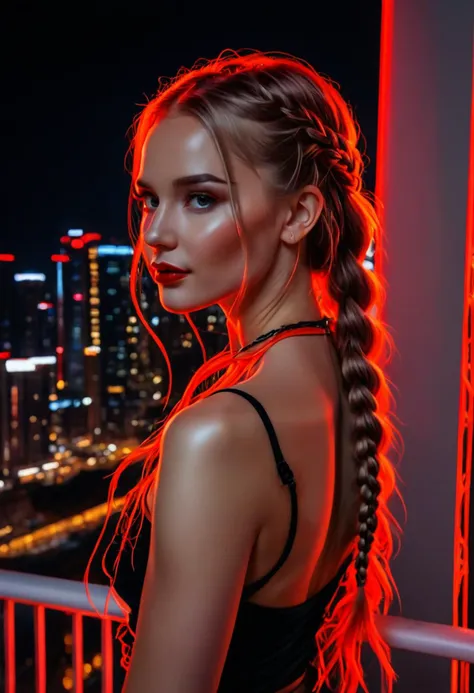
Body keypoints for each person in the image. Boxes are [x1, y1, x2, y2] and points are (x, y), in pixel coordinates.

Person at [88, 49, 400, 693]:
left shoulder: (222, 433)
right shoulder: (339, 384)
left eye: (200, 199)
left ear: (298, 214)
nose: (156, 235)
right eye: (150, 200)